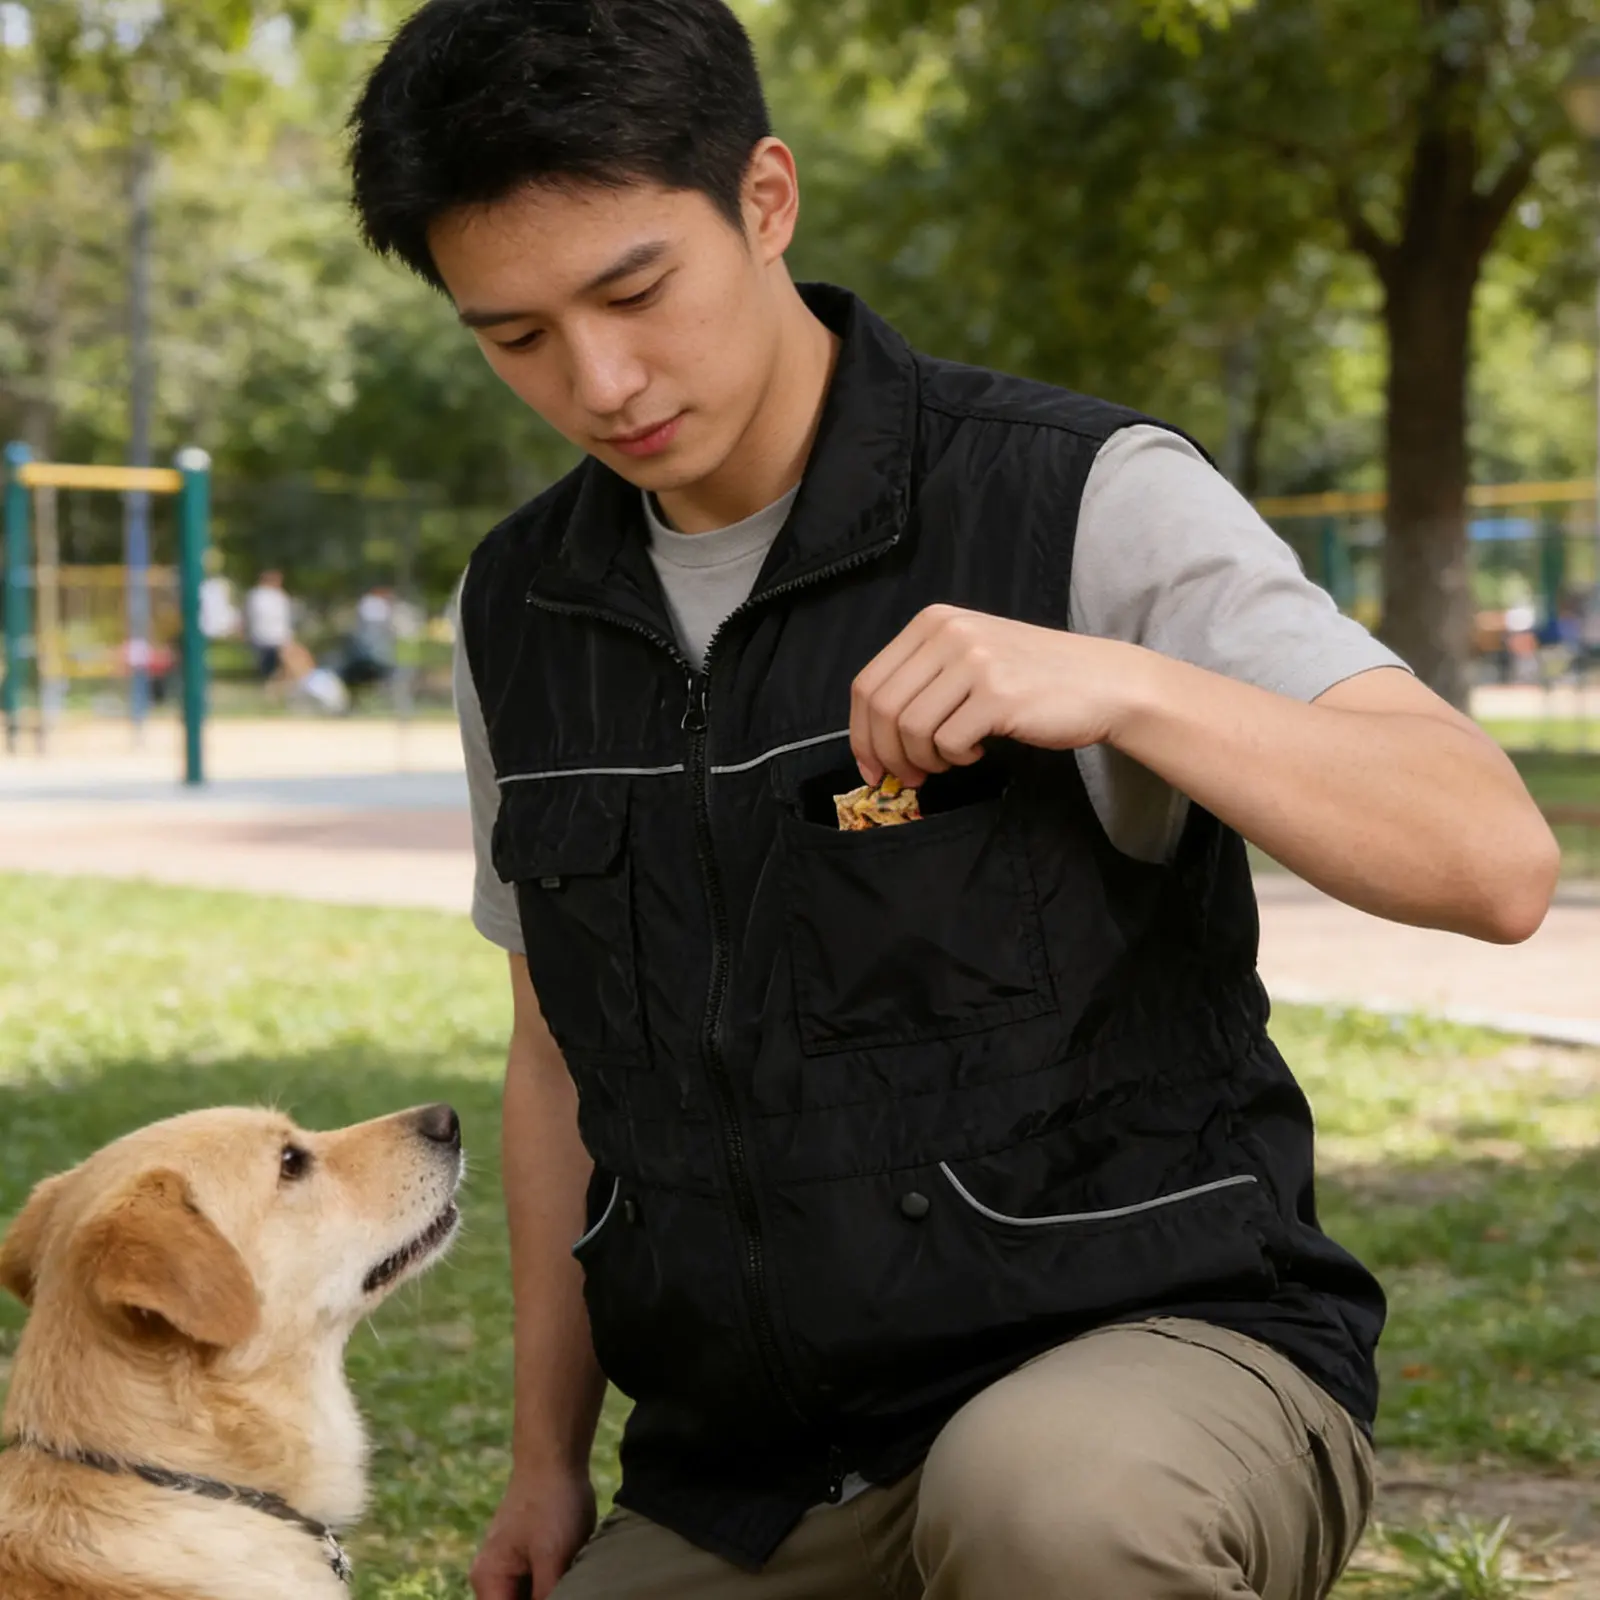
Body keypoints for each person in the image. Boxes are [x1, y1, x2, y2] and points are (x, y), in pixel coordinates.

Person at [348, 8, 1560, 1599]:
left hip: (1158, 1367)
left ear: (765, 199)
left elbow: (1495, 858)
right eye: (516, 336)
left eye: (637, 289)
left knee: (1045, 1508)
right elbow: (556, 1058)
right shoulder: (517, 610)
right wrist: (541, 1467)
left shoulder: (1082, 497)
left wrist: (1122, 684)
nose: (603, 380)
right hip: (759, 1473)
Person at [243, 569, 294, 683]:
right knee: (269, 659)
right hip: (271, 635)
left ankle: (269, 675)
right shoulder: (276, 596)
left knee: (269, 659)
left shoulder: (259, 595)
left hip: (268, 635)